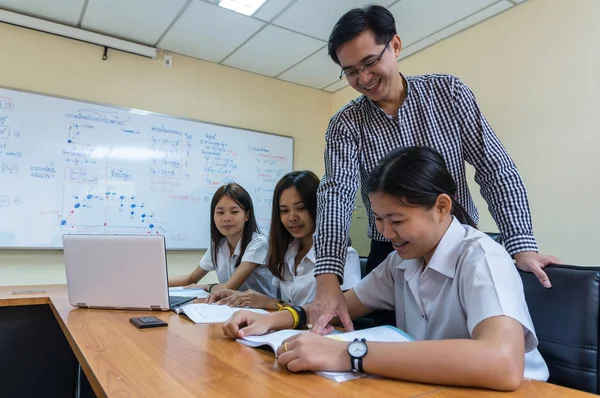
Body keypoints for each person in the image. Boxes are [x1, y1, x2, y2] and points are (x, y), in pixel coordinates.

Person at [311, 4, 560, 334]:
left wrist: (521, 244)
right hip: (391, 251)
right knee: (394, 349)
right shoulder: (346, 123)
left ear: (395, 45)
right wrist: (328, 278)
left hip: (456, 242)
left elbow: (494, 167)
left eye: (370, 62)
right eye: (351, 71)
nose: (364, 79)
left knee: (466, 345)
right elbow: (336, 196)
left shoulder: (447, 92)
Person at [222, 146, 549, 391]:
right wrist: (273, 319)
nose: (386, 233)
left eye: (396, 220)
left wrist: (349, 354)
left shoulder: (482, 258)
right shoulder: (402, 261)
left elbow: (502, 364)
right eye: (379, 219)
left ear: (441, 207)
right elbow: (336, 309)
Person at [207, 171, 361, 309]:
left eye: (300, 208)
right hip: (288, 333)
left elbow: (342, 313)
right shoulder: (286, 253)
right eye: (284, 211)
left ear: (318, 207)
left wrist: (272, 303)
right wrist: (260, 300)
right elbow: (286, 304)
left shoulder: (343, 255)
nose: (292, 217)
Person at [169, 183, 275, 297]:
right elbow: (191, 278)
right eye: (220, 212)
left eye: (234, 212)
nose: (226, 218)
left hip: (263, 311)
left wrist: (206, 286)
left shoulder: (258, 243)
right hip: (231, 307)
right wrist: (154, 283)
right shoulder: (218, 245)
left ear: (247, 215)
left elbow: (228, 288)